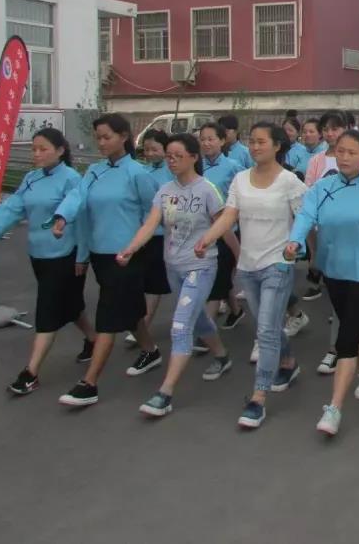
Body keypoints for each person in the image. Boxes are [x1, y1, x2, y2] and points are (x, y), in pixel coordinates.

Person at [116, 134, 239, 417]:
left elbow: (224, 224)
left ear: (193, 157)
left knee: (181, 326)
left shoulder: (207, 190)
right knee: (198, 318)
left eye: (177, 156)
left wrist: (239, 256)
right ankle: (222, 356)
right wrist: (130, 249)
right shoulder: (165, 191)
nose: (171, 161)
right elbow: (150, 225)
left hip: (201, 267)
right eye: (168, 156)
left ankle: (165, 392)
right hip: (173, 266)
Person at [196, 122, 308, 429]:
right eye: (252, 141)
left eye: (261, 142)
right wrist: (208, 238)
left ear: (277, 146)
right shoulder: (240, 179)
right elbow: (229, 215)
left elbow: (304, 218)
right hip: (247, 266)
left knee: (266, 330)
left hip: (278, 265)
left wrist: (298, 247)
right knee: (268, 325)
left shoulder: (289, 182)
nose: (255, 147)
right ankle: (288, 362)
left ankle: (258, 398)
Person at [284, 129, 359, 437]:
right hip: (333, 270)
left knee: (346, 338)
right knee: (352, 325)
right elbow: (306, 216)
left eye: (352, 152)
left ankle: (334, 408)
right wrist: (295, 241)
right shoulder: (323, 187)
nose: (345, 157)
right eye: (341, 151)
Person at [0, 128, 96, 395]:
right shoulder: (31, 178)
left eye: (43, 149)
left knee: (47, 311)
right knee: (71, 304)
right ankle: (93, 340)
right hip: (38, 254)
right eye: (33, 149)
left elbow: (83, 220)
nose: (36, 154)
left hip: (65, 255)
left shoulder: (72, 179)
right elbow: (12, 208)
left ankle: (30, 373)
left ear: (60, 151)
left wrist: (83, 256)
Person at [51, 114, 161, 408]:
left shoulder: (138, 173)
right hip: (100, 254)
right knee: (129, 308)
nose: (101, 143)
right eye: (98, 137)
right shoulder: (94, 171)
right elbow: (77, 197)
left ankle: (89, 383)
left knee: (108, 317)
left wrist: (138, 246)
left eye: (106, 137)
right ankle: (150, 350)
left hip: (128, 256)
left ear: (124, 136)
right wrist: (62, 217)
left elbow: (153, 215)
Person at [303, 111, 359, 307]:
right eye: (325, 129)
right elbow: (309, 192)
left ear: (346, 129)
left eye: (335, 129)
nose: (330, 133)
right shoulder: (316, 160)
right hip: (324, 225)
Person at [124, 128, 173, 347]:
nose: (150, 154)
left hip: (164, 234)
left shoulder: (172, 172)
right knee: (144, 281)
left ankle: (144, 323)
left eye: (155, 149)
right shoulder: (142, 171)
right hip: (143, 233)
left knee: (155, 283)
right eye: (147, 149)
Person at [199, 122, 245, 331]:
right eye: (203, 139)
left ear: (222, 140)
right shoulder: (196, 166)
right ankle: (236, 310)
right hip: (202, 232)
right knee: (221, 277)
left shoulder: (233, 167)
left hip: (227, 232)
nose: (206, 143)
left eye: (211, 139)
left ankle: (205, 332)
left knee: (218, 279)